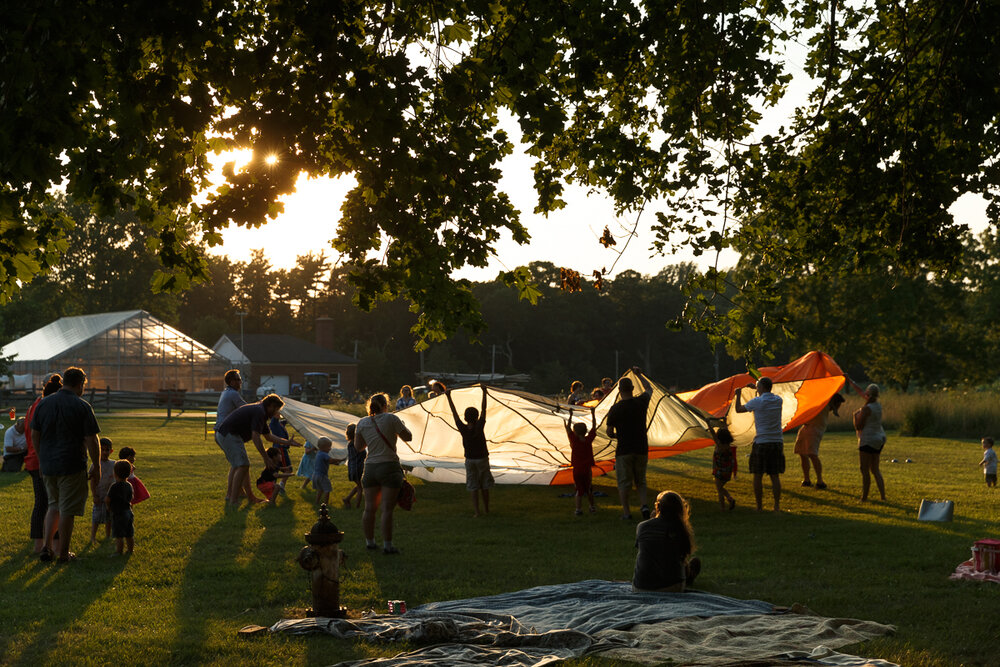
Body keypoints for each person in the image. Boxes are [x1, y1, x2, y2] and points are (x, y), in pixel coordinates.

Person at [30, 367, 101, 563]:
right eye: (83, 386)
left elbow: (35, 434)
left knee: (53, 505)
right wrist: (97, 465)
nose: (83, 389)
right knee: (68, 509)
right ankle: (63, 553)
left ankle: (46, 547)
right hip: (71, 465)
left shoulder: (43, 404)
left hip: (48, 465)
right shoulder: (82, 406)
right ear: (79, 384)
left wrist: (42, 457)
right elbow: (92, 440)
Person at [354, 392, 413, 554]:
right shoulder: (391, 418)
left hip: (370, 468)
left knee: (369, 508)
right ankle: (387, 546)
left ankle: (370, 542)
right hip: (389, 466)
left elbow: (358, 447)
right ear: (385, 405)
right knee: (387, 509)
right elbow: (408, 437)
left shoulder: (362, 422)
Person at [215, 394, 284, 507]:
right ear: (271, 406)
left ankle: (240, 497)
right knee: (243, 465)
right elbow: (256, 436)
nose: (277, 412)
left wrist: (288, 442)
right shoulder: (260, 412)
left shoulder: (261, 411)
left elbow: (268, 436)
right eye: (276, 409)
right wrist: (265, 457)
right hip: (229, 435)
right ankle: (233, 500)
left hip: (224, 434)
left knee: (239, 465)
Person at [606, 368, 653, 520]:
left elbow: (609, 431)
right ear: (632, 389)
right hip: (641, 447)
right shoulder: (641, 402)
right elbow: (649, 389)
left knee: (624, 483)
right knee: (641, 480)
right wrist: (639, 374)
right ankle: (644, 505)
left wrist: (615, 435)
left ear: (619, 391)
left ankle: (626, 513)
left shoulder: (615, 409)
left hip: (624, 450)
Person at [632, 490, 701, 592]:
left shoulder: (642, 526)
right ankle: (689, 578)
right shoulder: (680, 529)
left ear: (658, 507)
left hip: (640, 587)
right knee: (694, 563)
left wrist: (653, 519)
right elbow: (682, 556)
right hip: (671, 587)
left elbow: (652, 550)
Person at [24, 374, 62, 554]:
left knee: (42, 503)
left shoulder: (33, 406)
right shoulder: (45, 407)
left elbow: (27, 434)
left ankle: (40, 544)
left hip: (33, 459)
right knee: (51, 504)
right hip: (42, 461)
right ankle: (49, 545)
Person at [734, 376, 785, 512]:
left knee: (758, 475)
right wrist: (757, 389)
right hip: (777, 442)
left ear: (761, 387)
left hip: (761, 442)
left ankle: (759, 507)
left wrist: (738, 395)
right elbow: (764, 399)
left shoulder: (757, 401)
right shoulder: (778, 400)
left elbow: (739, 409)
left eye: (758, 386)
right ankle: (776, 506)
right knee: (774, 475)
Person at [446, 385, 493, 517]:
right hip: (482, 459)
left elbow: (454, 413)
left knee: (473, 486)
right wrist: (484, 393)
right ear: (477, 417)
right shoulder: (480, 425)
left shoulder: (462, 428)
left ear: (465, 418)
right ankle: (487, 509)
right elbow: (484, 409)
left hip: (470, 460)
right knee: (484, 485)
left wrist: (449, 397)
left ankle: (477, 512)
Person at [794, 393, 845, 489]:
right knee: (802, 453)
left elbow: (840, 399)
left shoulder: (826, 398)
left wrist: (834, 408)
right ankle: (806, 480)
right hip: (806, 427)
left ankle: (820, 481)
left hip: (815, 428)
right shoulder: (818, 397)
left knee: (812, 454)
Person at [854, 383, 886, 502]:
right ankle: (883, 496)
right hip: (879, 439)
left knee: (864, 469)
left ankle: (864, 497)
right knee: (875, 469)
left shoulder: (867, 408)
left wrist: (855, 416)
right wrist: (850, 381)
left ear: (867, 395)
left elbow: (859, 426)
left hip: (868, 440)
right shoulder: (878, 406)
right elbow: (861, 392)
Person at [566, 406, 597, 516]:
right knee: (589, 489)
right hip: (587, 469)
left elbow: (568, 428)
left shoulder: (574, 440)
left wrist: (569, 415)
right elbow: (594, 427)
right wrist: (593, 413)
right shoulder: (588, 440)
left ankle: (578, 509)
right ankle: (592, 507)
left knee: (579, 491)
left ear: (575, 432)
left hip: (577, 469)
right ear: (585, 431)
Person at [88, 438, 116, 544]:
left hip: (110, 497)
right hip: (99, 496)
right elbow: (92, 481)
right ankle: (93, 537)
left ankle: (108, 536)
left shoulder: (113, 464)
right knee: (96, 517)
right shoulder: (95, 465)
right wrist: (94, 495)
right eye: (102, 450)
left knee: (109, 518)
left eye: (107, 450)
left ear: (111, 451)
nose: (105, 452)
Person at [106, 459, 134, 555]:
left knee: (119, 535)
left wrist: (108, 507)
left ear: (115, 473)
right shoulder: (129, 485)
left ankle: (119, 552)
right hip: (128, 512)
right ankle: (130, 550)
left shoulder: (114, 486)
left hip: (118, 513)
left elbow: (108, 499)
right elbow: (131, 497)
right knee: (129, 533)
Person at [267, 414, 300, 494]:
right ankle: (280, 487)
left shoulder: (280, 423)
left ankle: (274, 487)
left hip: (281, 448)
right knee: (287, 469)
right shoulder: (273, 423)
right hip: (280, 449)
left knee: (277, 469)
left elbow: (289, 419)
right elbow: (276, 414)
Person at [711, 427, 737, 511]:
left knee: (719, 490)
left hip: (719, 471)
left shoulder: (719, 446)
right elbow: (725, 431)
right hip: (727, 471)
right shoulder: (728, 446)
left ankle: (722, 507)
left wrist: (708, 424)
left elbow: (713, 434)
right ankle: (730, 498)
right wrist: (725, 423)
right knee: (721, 487)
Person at [343, 423, 365, 508]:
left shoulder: (351, 443)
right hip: (357, 468)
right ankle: (357, 506)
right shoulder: (356, 444)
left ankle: (347, 499)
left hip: (353, 468)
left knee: (359, 486)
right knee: (360, 488)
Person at [311, 437, 334, 507]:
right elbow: (331, 460)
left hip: (315, 475)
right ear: (324, 447)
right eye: (329, 447)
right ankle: (326, 504)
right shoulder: (324, 454)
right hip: (322, 475)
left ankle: (317, 502)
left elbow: (327, 461)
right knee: (327, 489)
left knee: (320, 489)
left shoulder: (318, 453)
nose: (330, 449)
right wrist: (341, 459)